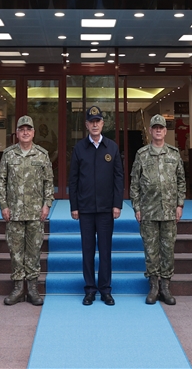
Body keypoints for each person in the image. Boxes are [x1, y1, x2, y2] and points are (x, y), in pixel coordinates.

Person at [0, 115, 54, 306]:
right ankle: (18, 288)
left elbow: (48, 182)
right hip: (14, 213)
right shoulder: (8, 154)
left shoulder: (42, 154)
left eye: (28, 129)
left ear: (33, 132)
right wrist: (3, 205)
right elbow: (1, 181)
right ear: (17, 133)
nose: (25, 132)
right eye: (22, 129)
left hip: (36, 212)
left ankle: (32, 288)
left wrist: (47, 204)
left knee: (33, 251)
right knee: (15, 251)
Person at [68, 105, 124, 306]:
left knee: (106, 251)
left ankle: (106, 290)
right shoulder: (79, 148)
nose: (94, 125)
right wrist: (74, 206)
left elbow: (119, 178)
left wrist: (117, 204)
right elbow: (73, 180)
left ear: (102, 123)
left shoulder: (112, 147)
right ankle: (90, 289)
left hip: (106, 209)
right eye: (91, 122)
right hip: (85, 209)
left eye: (98, 121)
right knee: (88, 251)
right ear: (86, 125)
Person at [130, 114, 186, 305]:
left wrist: (180, 204)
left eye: (161, 128)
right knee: (151, 250)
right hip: (149, 211)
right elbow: (134, 183)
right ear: (151, 131)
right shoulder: (142, 154)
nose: (158, 130)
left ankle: (165, 287)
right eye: (155, 128)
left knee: (168, 250)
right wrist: (137, 207)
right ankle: (153, 286)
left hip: (170, 211)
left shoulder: (174, 153)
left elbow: (181, 181)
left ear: (165, 130)